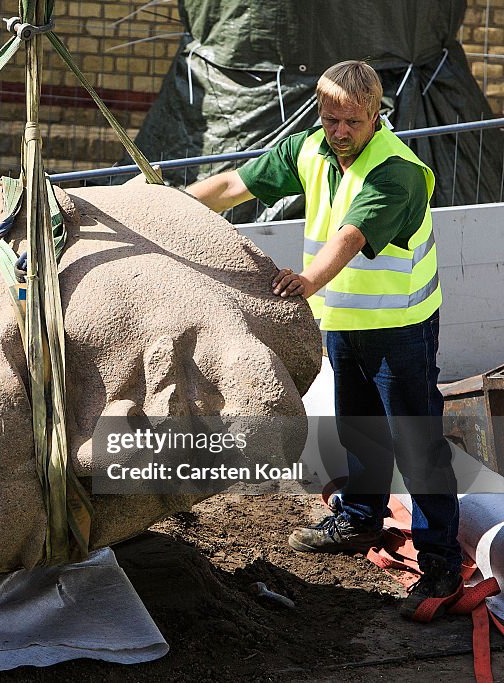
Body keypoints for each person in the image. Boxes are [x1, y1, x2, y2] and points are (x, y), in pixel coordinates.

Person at [184, 60, 462, 619]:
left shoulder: (396, 172)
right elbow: (235, 184)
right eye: (330, 119)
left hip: (401, 327)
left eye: (351, 122)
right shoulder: (311, 149)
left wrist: (309, 280)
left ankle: (440, 559)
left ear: (375, 115)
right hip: (346, 321)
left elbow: (352, 235)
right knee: (357, 424)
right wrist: (167, 209)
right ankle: (360, 517)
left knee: (416, 439)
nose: (339, 133)